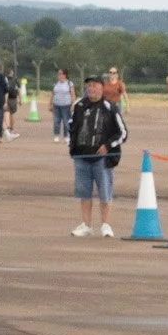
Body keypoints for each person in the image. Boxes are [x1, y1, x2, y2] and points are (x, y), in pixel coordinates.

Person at [66, 75, 126, 236]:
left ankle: (106, 225)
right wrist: (71, 146)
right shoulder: (79, 105)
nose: (91, 89)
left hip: (102, 159)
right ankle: (86, 225)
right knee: (84, 192)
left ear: (102, 88)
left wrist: (108, 145)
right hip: (81, 157)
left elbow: (122, 132)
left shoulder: (110, 107)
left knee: (105, 192)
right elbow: (71, 126)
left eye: (95, 85)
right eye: (89, 86)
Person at [50, 69, 74, 144]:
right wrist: (50, 104)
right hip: (56, 105)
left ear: (65, 75)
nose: (59, 76)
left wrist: (73, 104)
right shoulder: (56, 84)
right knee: (56, 121)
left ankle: (67, 137)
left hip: (66, 105)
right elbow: (53, 94)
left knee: (66, 122)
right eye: (58, 74)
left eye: (61, 74)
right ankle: (56, 136)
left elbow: (72, 94)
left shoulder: (69, 84)